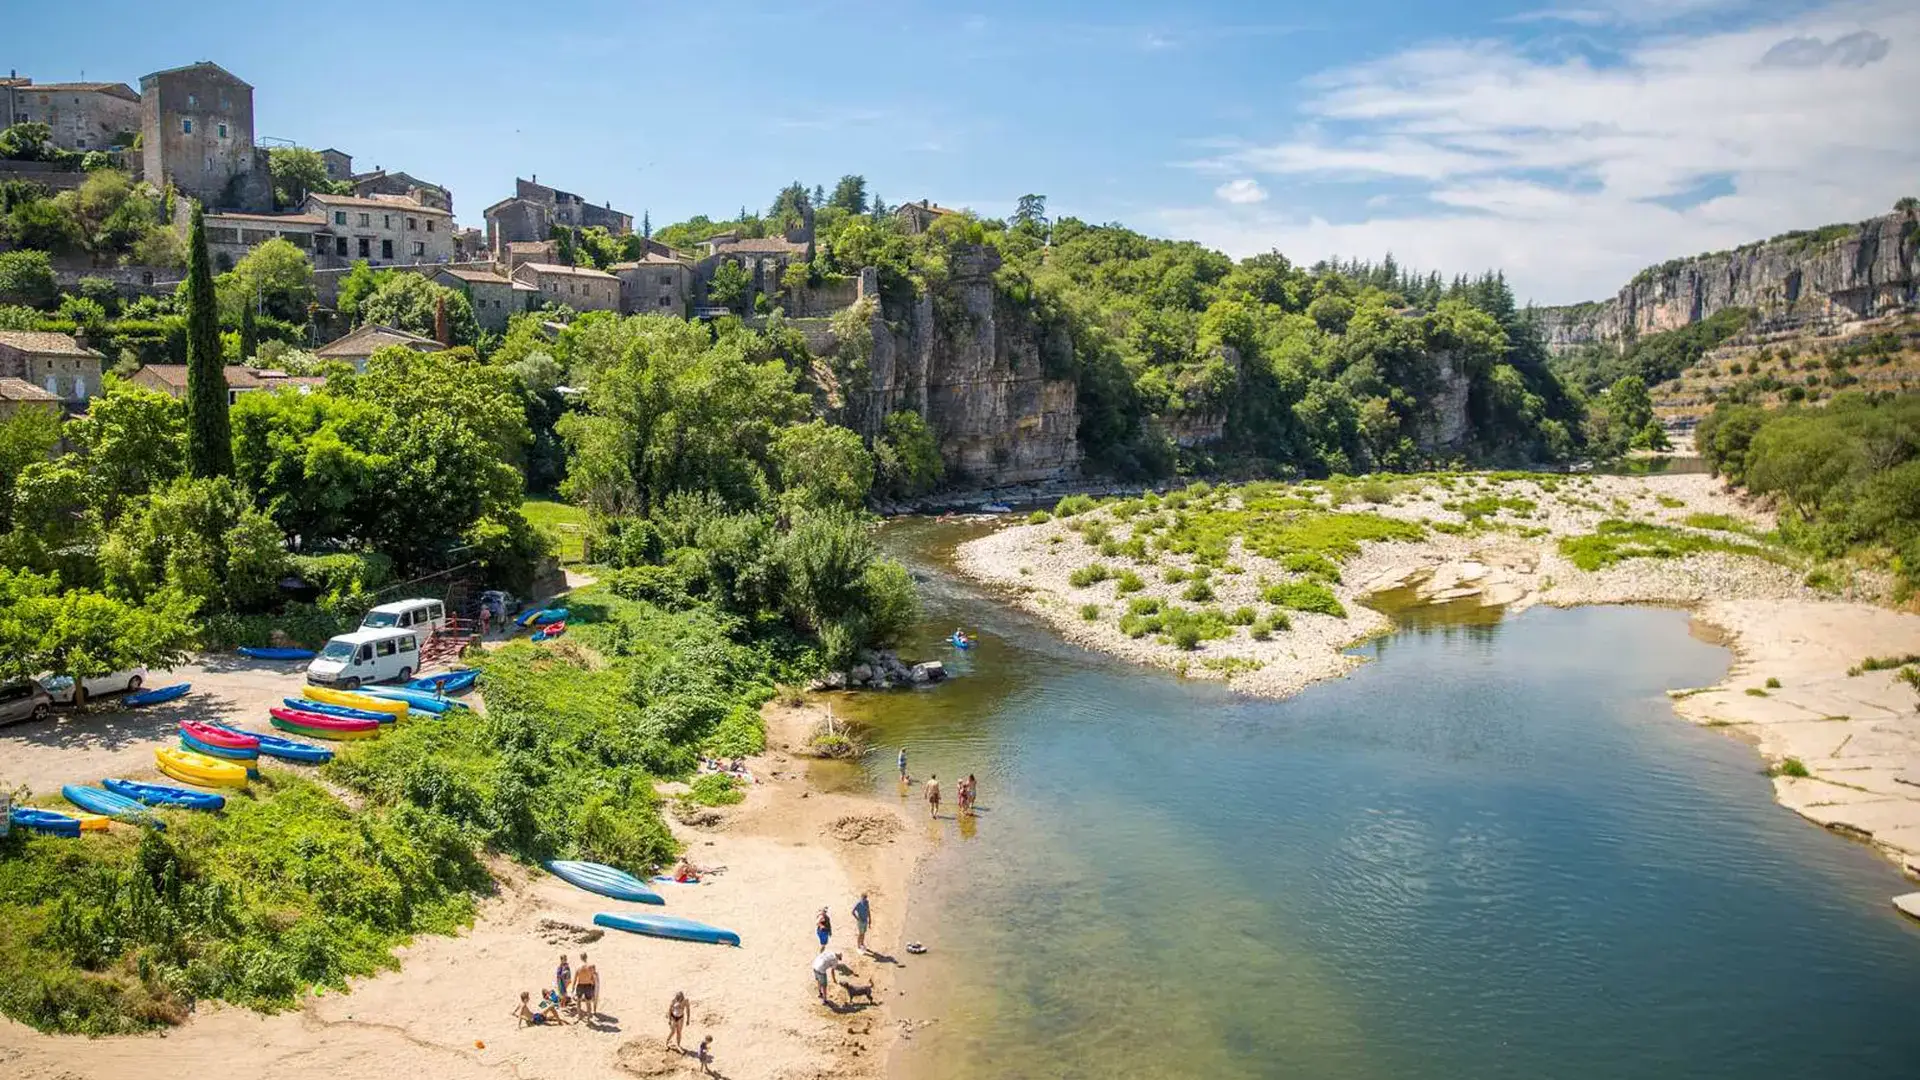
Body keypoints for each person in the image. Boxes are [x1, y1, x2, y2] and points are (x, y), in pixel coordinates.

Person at [574, 952, 599, 1019]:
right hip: (588, 986)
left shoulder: (578, 967)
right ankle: (588, 1018)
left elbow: (575, 978)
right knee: (588, 1002)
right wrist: (593, 986)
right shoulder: (591, 967)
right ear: (586, 957)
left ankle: (579, 1016)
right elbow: (593, 978)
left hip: (580, 985)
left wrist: (573, 988)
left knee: (578, 1001)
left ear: (580, 958)